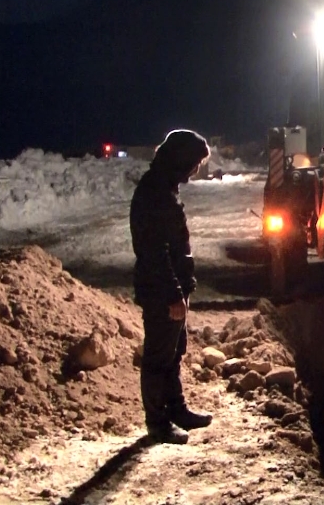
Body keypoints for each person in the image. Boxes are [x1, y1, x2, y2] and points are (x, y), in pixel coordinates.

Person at [130, 129, 213, 444]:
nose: (195, 170)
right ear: (181, 160)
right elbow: (155, 253)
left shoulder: (164, 188)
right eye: (194, 164)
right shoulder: (154, 194)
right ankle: (158, 422)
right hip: (162, 293)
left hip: (173, 289)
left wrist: (183, 287)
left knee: (174, 351)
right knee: (158, 357)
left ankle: (177, 410)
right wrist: (174, 295)